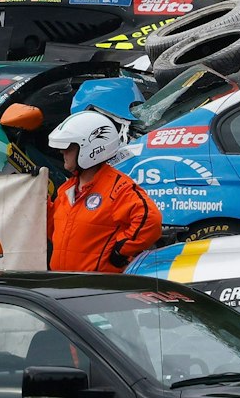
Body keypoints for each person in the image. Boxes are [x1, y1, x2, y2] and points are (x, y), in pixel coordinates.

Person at [46, 109, 162, 274]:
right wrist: (38, 197)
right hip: (63, 285)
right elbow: (54, 230)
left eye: (68, 147)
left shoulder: (118, 188)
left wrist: (120, 250)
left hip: (95, 288)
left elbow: (151, 220)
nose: (62, 152)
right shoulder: (67, 188)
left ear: (90, 149)